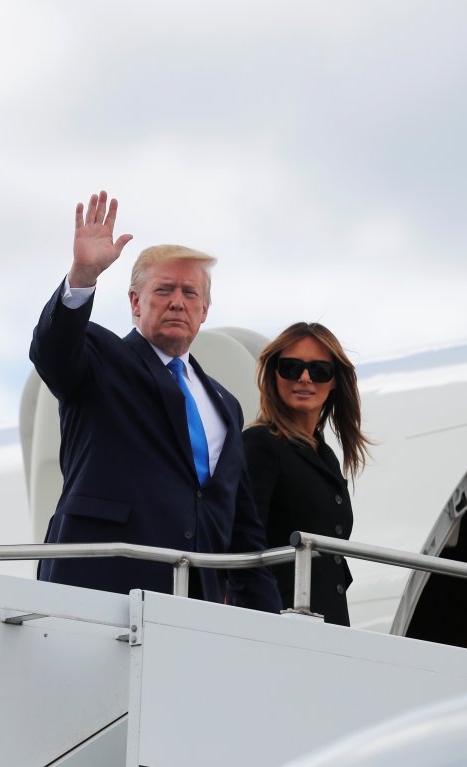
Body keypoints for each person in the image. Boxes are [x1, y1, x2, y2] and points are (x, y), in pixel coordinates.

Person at [30, 191, 281, 613]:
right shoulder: (100, 359)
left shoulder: (226, 404)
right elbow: (52, 352)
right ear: (135, 302)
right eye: (164, 290)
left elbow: (240, 529)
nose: (178, 301)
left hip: (194, 601)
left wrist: (272, 621)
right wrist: (83, 275)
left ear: (205, 310)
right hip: (100, 588)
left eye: (190, 293)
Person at [242, 323, 369, 625]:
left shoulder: (324, 455)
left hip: (329, 620)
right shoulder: (260, 443)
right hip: (283, 618)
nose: (304, 378)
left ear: (335, 381)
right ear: (274, 374)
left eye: (319, 370)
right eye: (291, 367)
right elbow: (245, 542)